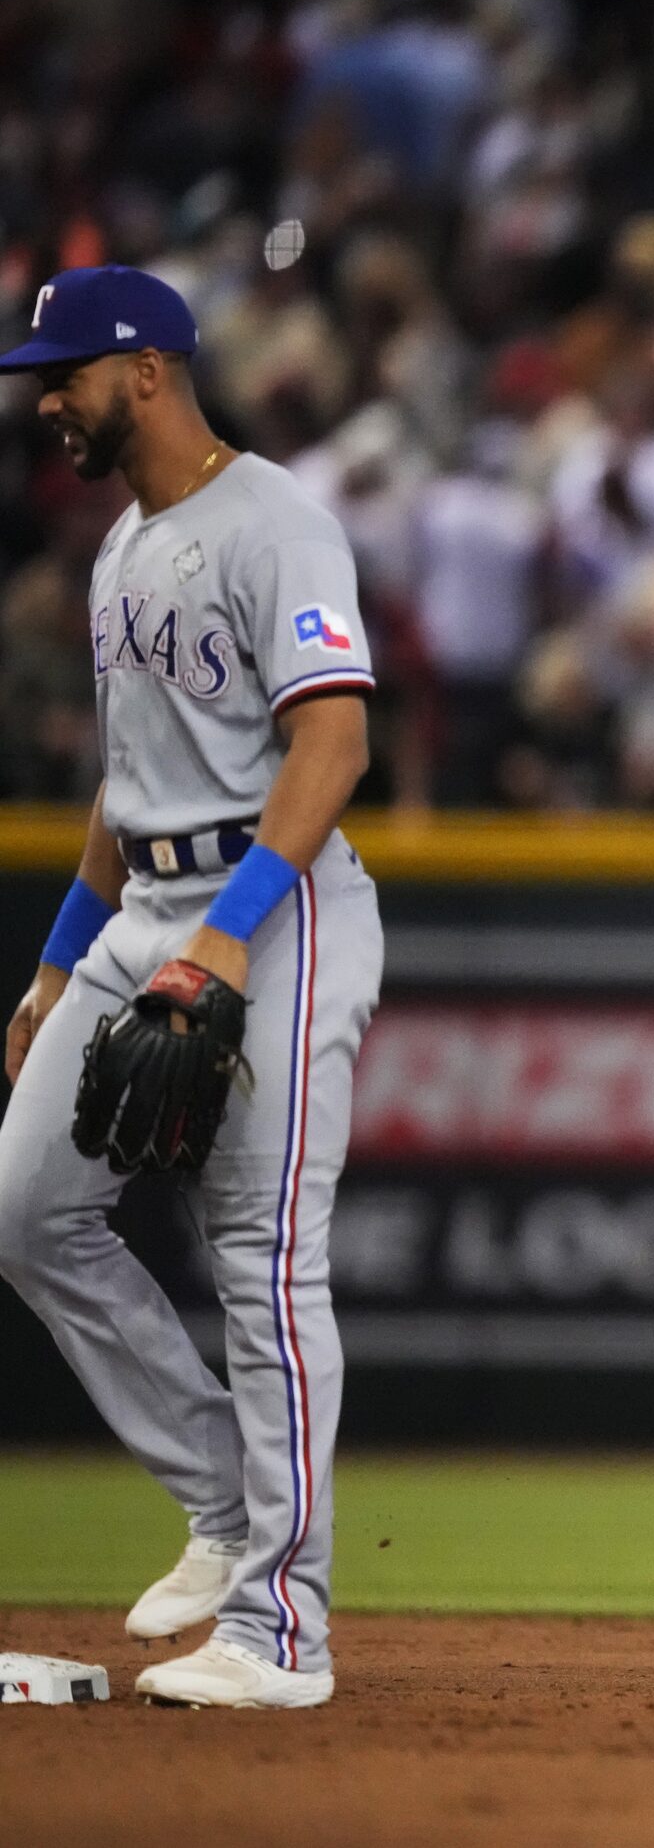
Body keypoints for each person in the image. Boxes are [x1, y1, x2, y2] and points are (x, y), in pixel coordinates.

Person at [0, 267, 384, 1709]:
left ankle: (286, 1631)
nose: (45, 398)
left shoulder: (274, 520)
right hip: (141, 904)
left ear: (146, 370)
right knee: (24, 1210)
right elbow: (125, 784)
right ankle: (226, 1506)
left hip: (270, 907)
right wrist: (53, 960)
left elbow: (332, 747)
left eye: (66, 372)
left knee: (261, 1257)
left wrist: (223, 933)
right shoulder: (122, 546)